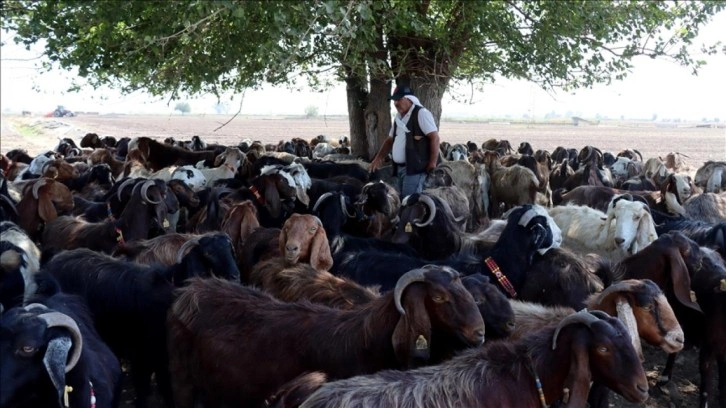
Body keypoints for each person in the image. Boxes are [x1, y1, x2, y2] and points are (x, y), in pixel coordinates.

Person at [369, 86, 440, 197]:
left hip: (415, 169)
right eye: (394, 100)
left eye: (399, 99)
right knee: (402, 199)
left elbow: (435, 138)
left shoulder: (421, 113)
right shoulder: (398, 118)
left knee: (409, 201)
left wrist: (432, 163)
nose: (396, 103)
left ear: (409, 99)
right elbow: (390, 140)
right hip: (401, 169)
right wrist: (378, 158)